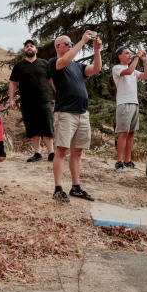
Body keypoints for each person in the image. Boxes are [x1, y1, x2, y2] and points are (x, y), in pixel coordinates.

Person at [48, 31, 102, 202]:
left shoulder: (78, 66)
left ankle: (76, 187)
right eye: (66, 44)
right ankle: (58, 188)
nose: (70, 45)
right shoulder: (54, 62)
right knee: (62, 150)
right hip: (65, 113)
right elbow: (63, 61)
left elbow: (96, 69)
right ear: (58, 46)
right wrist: (81, 41)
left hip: (82, 113)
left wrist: (96, 50)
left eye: (71, 43)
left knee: (77, 152)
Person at [8, 39, 55, 162]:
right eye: (27, 46)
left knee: (47, 126)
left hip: (44, 100)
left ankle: (51, 153)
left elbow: (51, 80)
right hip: (27, 102)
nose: (29, 48)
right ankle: (37, 153)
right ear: (25, 50)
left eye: (31, 46)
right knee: (32, 127)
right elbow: (13, 83)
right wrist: (11, 99)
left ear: (36, 50)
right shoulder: (19, 66)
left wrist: (59, 94)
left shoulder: (44, 63)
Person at [111, 47, 147, 172]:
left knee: (131, 133)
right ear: (119, 56)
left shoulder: (134, 70)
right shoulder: (117, 68)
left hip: (134, 103)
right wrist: (137, 57)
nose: (129, 55)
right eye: (127, 53)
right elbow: (128, 71)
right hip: (124, 103)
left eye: (130, 54)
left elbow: (146, 76)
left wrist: (145, 61)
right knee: (124, 133)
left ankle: (128, 161)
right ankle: (119, 162)